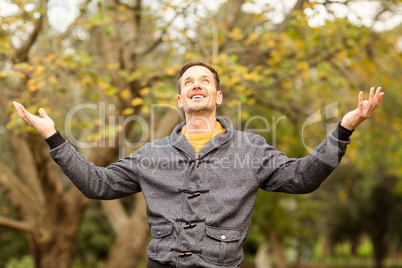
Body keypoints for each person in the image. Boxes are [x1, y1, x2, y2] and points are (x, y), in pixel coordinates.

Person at [13, 61, 384, 268]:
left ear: (217, 95)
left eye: (204, 80)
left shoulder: (250, 148)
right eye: (188, 81)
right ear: (179, 99)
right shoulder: (152, 154)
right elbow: (98, 184)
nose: (196, 85)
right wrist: (53, 137)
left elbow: (302, 178)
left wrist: (343, 130)